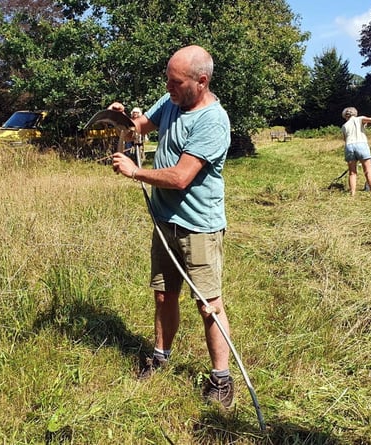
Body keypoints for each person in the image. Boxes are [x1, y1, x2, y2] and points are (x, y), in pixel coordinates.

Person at [109, 45, 235, 409]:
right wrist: (120, 119)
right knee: (164, 294)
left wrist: (136, 172)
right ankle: (160, 357)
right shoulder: (171, 103)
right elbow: (137, 128)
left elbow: (181, 177)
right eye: (167, 80)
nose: (169, 88)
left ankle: (221, 380)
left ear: (201, 81)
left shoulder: (212, 120)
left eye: (176, 82)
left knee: (208, 304)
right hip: (164, 222)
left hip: (198, 227)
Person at [340, 107, 371, 199]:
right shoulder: (360, 119)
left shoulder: (344, 126)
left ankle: (352, 194)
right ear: (355, 114)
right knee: (368, 171)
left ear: (345, 116)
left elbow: (345, 139)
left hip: (349, 146)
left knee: (352, 172)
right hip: (361, 145)